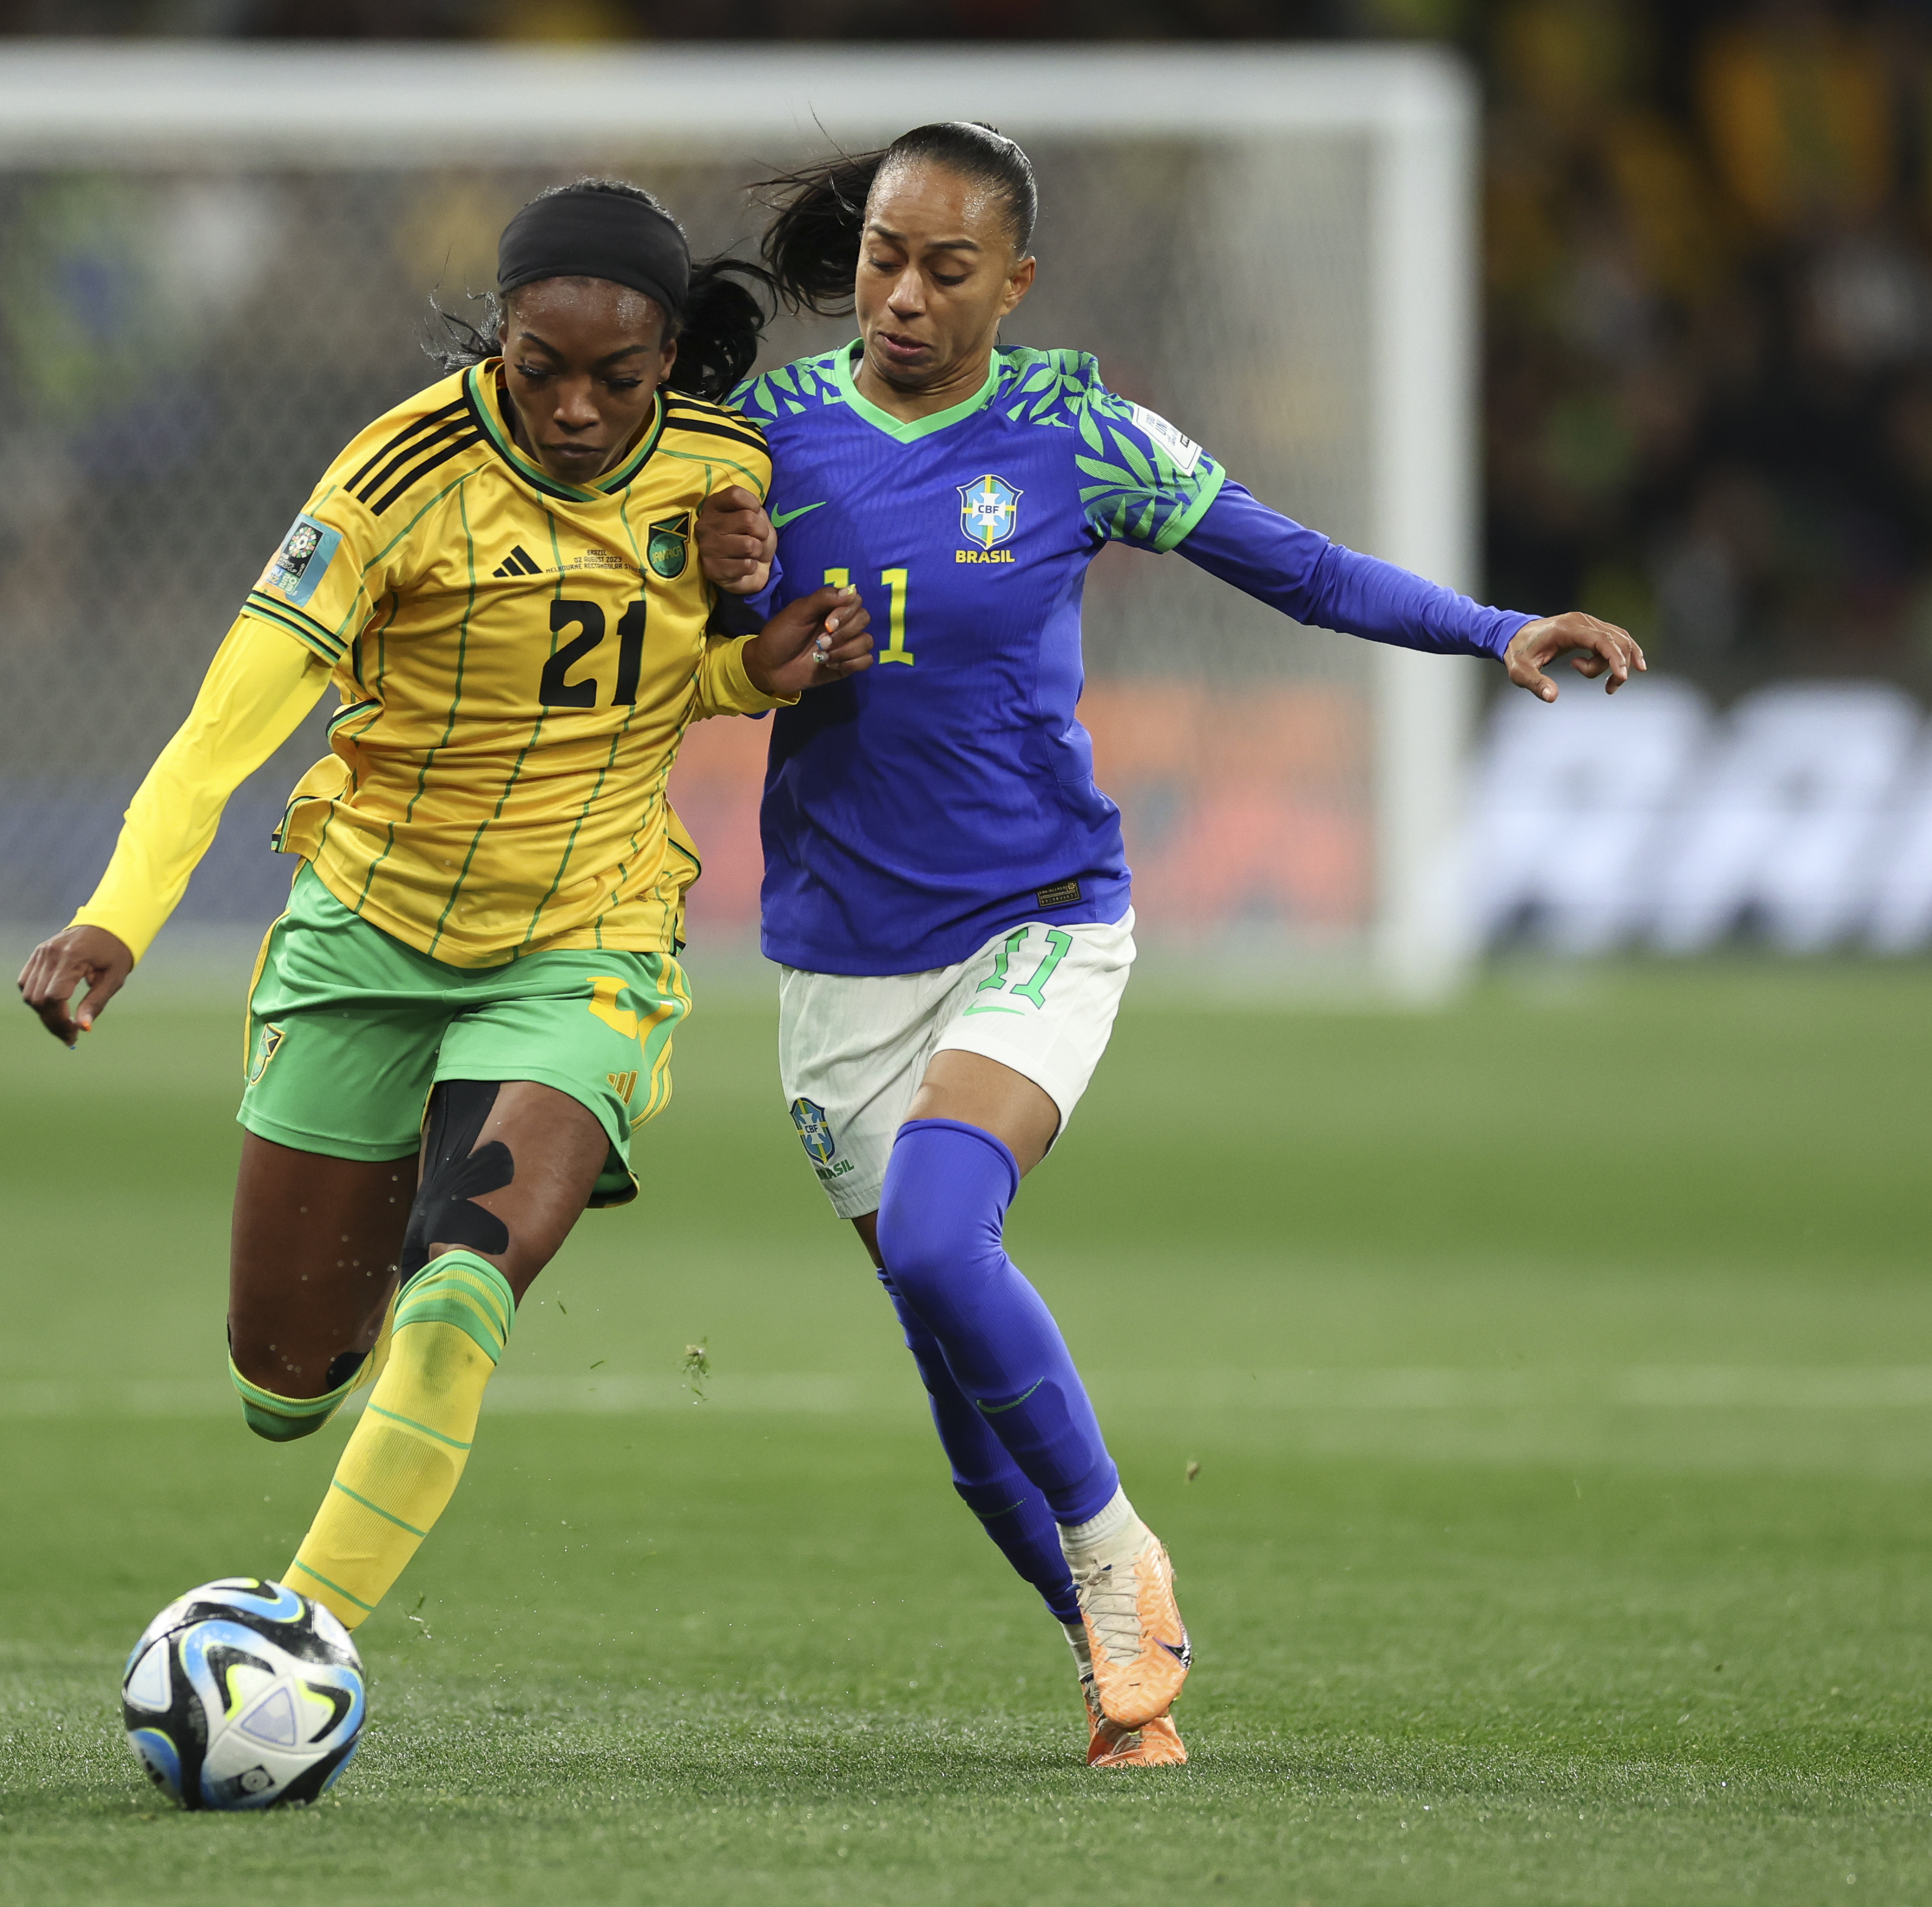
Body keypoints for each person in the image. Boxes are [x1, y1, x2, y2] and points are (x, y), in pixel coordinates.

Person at [699, 123, 1644, 1767]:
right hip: (840, 950)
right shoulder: (762, 440)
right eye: (882, 261)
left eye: (945, 269)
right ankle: (1114, 1661)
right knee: (953, 1382)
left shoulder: (1075, 430)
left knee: (939, 1239)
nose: (904, 296)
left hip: (1038, 917)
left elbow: (1301, 568)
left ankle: (1120, 1551)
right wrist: (741, 619)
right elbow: (688, 652)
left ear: (1017, 282)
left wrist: (1496, 628)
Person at [18, 179, 873, 1637]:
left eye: (618, 376)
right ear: (500, 338)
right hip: (368, 936)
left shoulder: (722, 467)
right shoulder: (394, 479)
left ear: (670, 357)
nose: (579, 409)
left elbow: (649, 681)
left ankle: (300, 1641)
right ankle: (419, 1121)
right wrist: (117, 916)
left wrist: (753, 664)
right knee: (284, 1380)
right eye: (543, 369)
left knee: (461, 1283)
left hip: (585, 940)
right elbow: (226, 728)